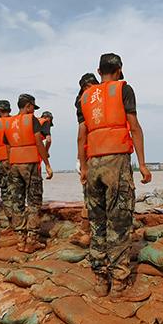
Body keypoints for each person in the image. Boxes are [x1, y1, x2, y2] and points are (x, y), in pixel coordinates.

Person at [77, 53, 152, 298]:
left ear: (99, 71)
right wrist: (142, 164)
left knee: (97, 222)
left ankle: (100, 280)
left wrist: (84, 166)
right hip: (116, 162)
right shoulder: (124, 90)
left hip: (94, 162)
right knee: (119, 221)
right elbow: (134, 126)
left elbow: (81, 135)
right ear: (119, 70)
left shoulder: (85, 97)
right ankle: (119, 282)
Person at [3, 94, 53, 253]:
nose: (33, 111)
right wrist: (47, 164)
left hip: (14, 164)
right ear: (28, 106)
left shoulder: (9, 123)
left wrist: (11, 163)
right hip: (30, 164)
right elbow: (39, 142)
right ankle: (32, 241)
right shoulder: (31, 120)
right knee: (33, 201)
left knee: (17, 202)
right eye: (32, 107)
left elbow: (8, 146)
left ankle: (20, 241)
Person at [70, 73, 99, 248]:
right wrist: (81, 160)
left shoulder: (83, 101)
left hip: (96, 153)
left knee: (92, 194)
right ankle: (87, 230)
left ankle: (88, 231)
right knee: (91, 194)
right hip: (95, 153)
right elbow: (82, 134)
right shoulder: (84, 101)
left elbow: (82, 134)